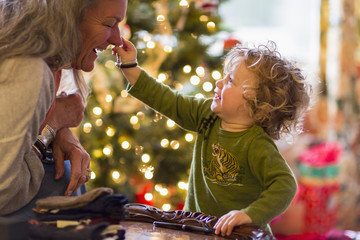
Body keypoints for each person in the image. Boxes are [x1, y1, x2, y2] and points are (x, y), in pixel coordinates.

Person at [113, 39, 311, 236]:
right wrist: (130, 66)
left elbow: (285, 185)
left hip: (238, 235)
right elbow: (167, 100)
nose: (219, 82)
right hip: (196, 231)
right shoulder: (207, 116)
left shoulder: (256, 144)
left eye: (230, 81)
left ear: (255, 103)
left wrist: (248, 215)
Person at [0, 0, 128, 218]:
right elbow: (3, 192)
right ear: (68, 17)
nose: (118, 39)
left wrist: (57, 131)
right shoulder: (28, 68)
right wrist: (51, 126)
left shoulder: (40, 59)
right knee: (64, 179)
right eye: (108, 24)